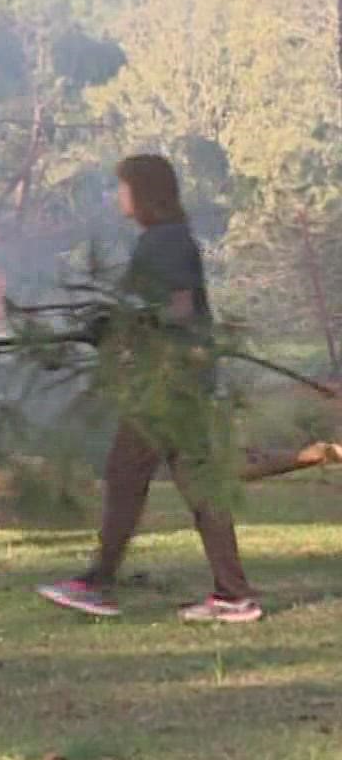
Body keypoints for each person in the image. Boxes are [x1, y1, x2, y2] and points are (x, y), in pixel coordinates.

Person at [37, 154, 261, 623]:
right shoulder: (167, 238)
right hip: (184, 380)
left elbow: (177, 311)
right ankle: (233, 595)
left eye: (123, 188)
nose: (119, 197)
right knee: (200, 488)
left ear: (144, 192)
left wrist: (121, 324)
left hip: (168, 384)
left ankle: (98, 584)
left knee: (124, 477)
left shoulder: (165, 242)